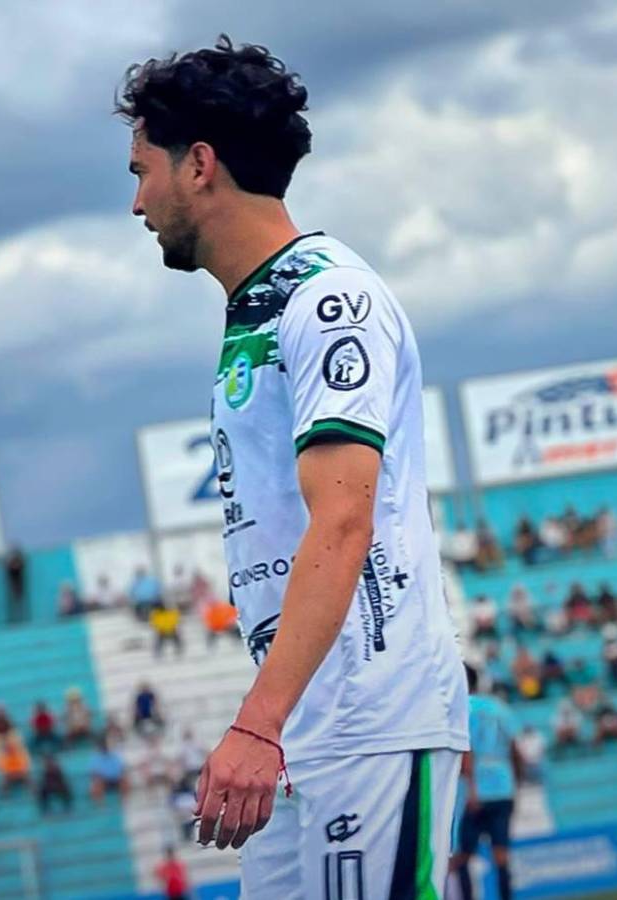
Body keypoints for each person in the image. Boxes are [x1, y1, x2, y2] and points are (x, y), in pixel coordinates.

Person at [119, 39, 469, 891]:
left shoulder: (328, 299)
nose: (136, 203)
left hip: (374, 715)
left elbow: (343, 521)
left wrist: (257, 723)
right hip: (304, 724)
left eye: (141, 172)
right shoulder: (259, 308)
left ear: (199, 165)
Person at [450, 667, 519, 900]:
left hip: (475, 791)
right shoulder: (500, 707)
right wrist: (514, 784)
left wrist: (472, 790)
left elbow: (467, 751)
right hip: (503, 788)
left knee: (462, 856)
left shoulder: (462, 709)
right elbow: (515, 748)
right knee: (501, 855)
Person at [89, 734, 129, 803]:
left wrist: (120, 775)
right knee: (96, 785)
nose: (105, 747)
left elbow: (121, 769)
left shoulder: (115, 755)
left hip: (116, 779)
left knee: (124, 781)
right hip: (103, 781)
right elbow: (94, 773)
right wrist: (99, 778)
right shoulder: (96, 757)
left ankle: (124, 802)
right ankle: (100, 804)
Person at [4, 545, 27, 623]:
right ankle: (13, 619)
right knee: (13, 601)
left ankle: (22, 618)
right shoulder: (10, 564)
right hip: (12, 587)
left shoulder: (19, 564)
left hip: (19, 586)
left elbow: (21, 565)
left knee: (20, 600)